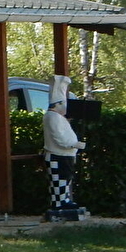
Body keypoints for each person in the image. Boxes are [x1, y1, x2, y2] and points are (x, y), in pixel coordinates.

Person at [42, 75, 86, 221]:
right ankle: (58, 203)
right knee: (58, 180)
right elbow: (59, 137)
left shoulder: (58, 117)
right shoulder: (52, 117)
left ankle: (64, 200)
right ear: (58, 104)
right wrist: (73, 144)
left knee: (65, 179)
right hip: (57, 154)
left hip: (65, 154)